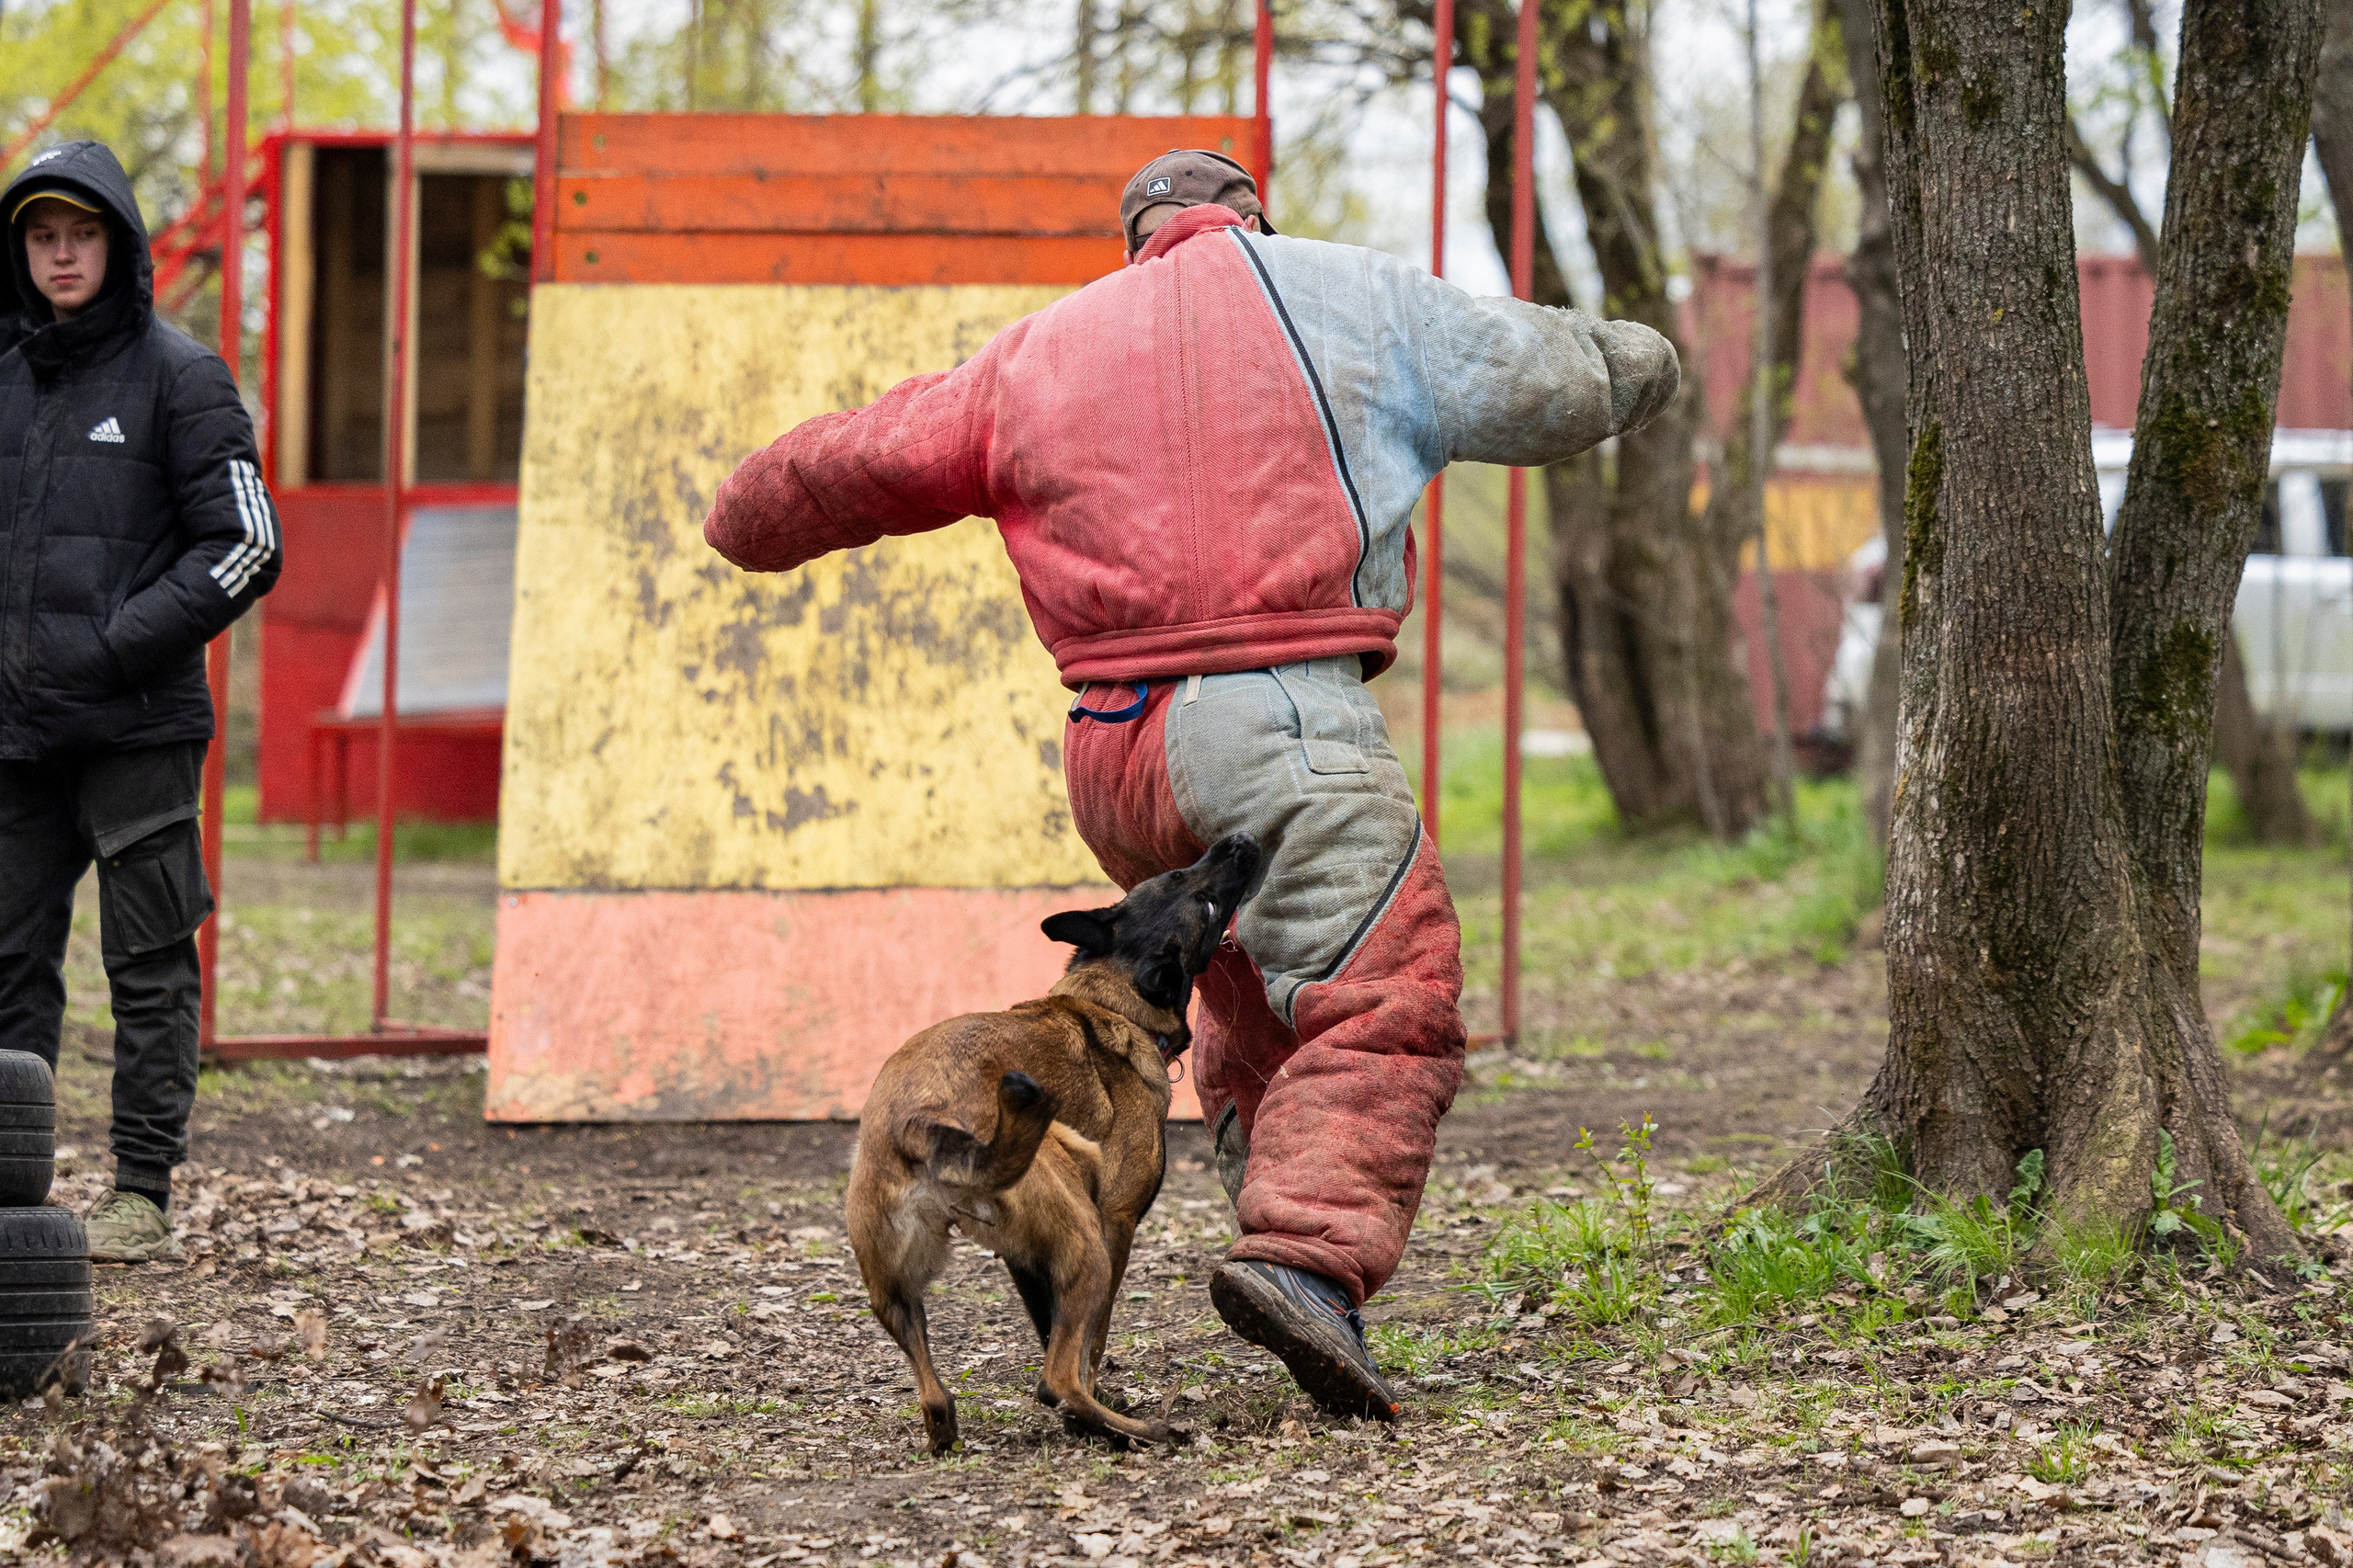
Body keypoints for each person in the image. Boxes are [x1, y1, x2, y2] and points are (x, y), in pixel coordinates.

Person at [703, 149, 1677, 1419]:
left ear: (1135, 242)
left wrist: (742, 517)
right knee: (1385, 988)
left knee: (1251, 996)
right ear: (1253, 220)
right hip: (1275, 718)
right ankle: (1309, 1264)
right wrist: (1645, 359)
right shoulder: (1352, 298)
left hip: (1113, 757)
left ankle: (1277, 1221)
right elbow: (1566, 378)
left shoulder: (1031, 354)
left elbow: (841, 467)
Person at [0, 142, 282, 1262]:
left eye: (80, 233)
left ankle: (140, 1190)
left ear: (117, 244)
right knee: (11, 966)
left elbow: (248, 542)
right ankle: (15, 1193)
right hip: (17, 741)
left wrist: (118, 647)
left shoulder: (182, 376)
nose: (60, 253)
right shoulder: (4, 374)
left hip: (138, 736)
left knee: (148, 964)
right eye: (39, 234)